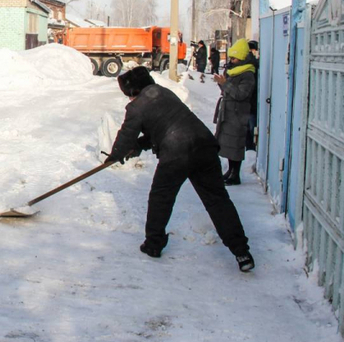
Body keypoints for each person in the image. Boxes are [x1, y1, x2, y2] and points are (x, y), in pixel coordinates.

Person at [104, 66, 254, 272]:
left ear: (133, 91)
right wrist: (138, 146)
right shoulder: (164, 93)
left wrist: (115, 155)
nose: (129, 100)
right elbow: (164, 124)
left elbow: (126, 133)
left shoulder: (137, 107)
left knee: (161, 197)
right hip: (204, 147)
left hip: (177, 153)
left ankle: (153, 244)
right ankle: (241, 252)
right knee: (218, 200)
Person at [214, 39, 257, 185]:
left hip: (239, 114)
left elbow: (241, 94)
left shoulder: (248, 74)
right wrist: (222, 83)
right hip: (229, 112)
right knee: (228, 144)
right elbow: (228, 91)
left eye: (234, 58)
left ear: (242, 57)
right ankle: (230, 171)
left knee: (236, 144)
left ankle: (235, 174)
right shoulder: (233, 71)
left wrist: (225, 83)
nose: (231, 61)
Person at [245, 40, 260, 151]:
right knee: (251, 127)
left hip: (247, 102)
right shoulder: (253, 63)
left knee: (248, 127)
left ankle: (249, 148)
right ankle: (251, 149)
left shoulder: (243, 62)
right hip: (252, 101)